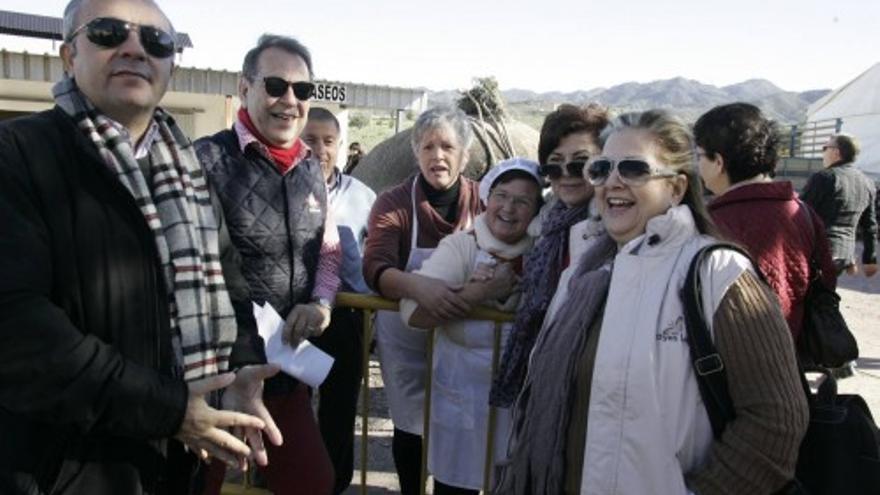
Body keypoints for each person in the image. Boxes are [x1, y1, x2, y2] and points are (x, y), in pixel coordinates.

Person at [0, 1, 281, 494]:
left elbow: (231, 281)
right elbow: (18, 330)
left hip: (175, 465)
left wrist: (238, 370)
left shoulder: (189, 171)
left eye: (156, 41)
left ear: (171, 63)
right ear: (69, 56)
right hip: (61, 467)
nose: (134, 48)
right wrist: (170, 410)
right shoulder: (19, 155)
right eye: (109, 33)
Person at [496, 110, 808, 494]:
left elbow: (775, 420)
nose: (612, 181)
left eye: (632, 168)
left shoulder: (718, 275)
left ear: (676, 188)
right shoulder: (582, 273)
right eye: (602, 168)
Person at [195, 34, 341, 495]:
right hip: (212, 376)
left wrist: (321, 302)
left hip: (281, 373)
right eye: (276, 85)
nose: (290, 100)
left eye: (302, 90)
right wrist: (231, 365)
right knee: (198, 484)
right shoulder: (204, 160)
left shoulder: (309, 168)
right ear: (245, 88)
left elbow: (330, 251)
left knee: (312, 483)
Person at [400, 158, 543, 494]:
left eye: (523, 201)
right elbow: (415, 312)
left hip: (517, 406)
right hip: (459, 399)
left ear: (537, 210)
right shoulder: (462, 246)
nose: (509, 208)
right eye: (502, 196)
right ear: (487, 198)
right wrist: (481, 292)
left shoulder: (543, 254)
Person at [362, 106, 483, 495]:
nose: (438, 156)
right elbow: (375, 267)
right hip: (406, 339)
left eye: (447, 146)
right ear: (416, 152)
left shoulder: (483, 203)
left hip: (462, 337)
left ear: (465, 154)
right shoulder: (394, 203)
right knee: (410, 426)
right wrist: (419, 288)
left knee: (461, 426)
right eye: (428, 146)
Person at [490, 103, 608, 408]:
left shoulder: (615, 235)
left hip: (587, 386)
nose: (566, 174)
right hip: (543, 373)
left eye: (581, 163)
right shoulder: (546, 231)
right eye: (554, 164)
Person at [694, 102, 837, 341]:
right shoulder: (803, 212)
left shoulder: (711, 222)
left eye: (699, 156)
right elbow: (827, 279)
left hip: (732, 360)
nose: (697, 165)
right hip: (792, 353)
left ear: (718, 162)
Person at [302, 107, 377, 494]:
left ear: (340, 146)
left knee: (338, 410)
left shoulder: (365, 198)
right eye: (309, 139)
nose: (319, 149)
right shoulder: (283, 189)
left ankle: (336, 484)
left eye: (327, 141)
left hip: (347, 318)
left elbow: (375, 259)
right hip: (291, 317)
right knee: (287, 406)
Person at [801, 133, 878, 278]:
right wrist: (870, 259)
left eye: (825, 148)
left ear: (836, 152)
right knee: (827, 294)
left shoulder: (824, 177)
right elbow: (870, 226)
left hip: (817, 254)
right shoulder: (868, 183)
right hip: (844, 256)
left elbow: (799, 214)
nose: (822, 152)